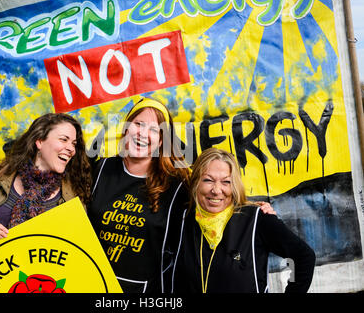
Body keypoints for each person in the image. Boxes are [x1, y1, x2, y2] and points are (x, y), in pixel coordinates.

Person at [87, 98, 275, 293]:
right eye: (138, 124)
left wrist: (253, 209)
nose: (143, 133)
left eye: (154, 130)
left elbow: (215, 202)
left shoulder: (177, 184)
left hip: (150, 293)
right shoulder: (102, 168)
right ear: (126, 127)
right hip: (93, 284)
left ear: (161, 140)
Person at [171, 148, 316, 293]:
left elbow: (304, 257)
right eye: (208, 180)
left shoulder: (256, 219)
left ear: (234, 185)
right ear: (196, 182)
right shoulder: (182, 220)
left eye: (226, 182)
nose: (216, 190)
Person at [0, 113, 92, 253]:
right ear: (39, 141)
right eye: (63, 140)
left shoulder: (73, 192)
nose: (71, 149)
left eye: (74, 144)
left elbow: (80, 250)